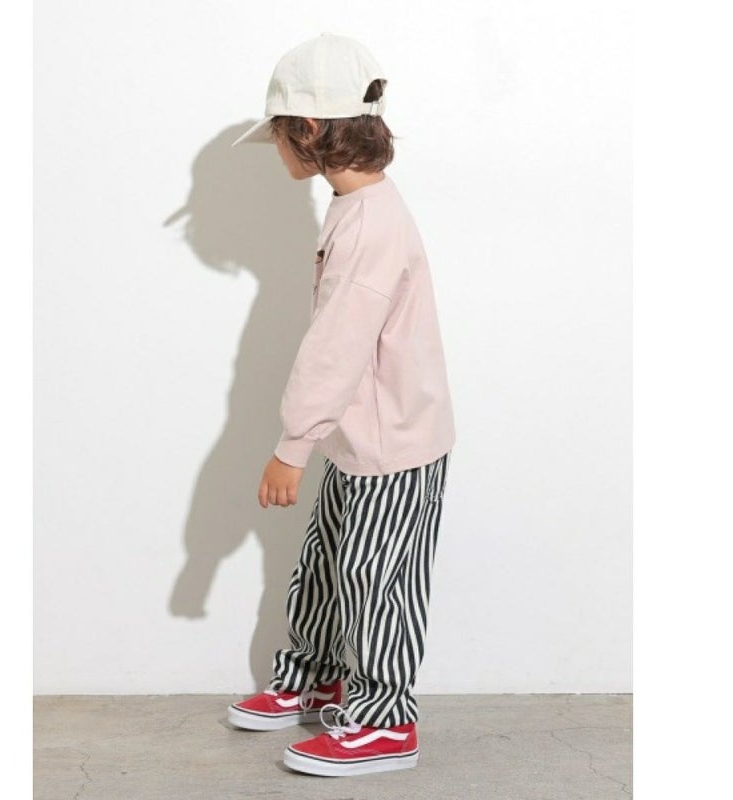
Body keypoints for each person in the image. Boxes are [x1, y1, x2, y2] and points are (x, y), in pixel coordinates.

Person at [227, 32, 456, 778]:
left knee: (376, 579)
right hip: (361, 438)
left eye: (277, 133)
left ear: (308, 128)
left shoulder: (370, 225)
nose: (275, 148)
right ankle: (320, 677)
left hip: (394, 445)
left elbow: (336, 346)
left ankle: (386, 720)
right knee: (329, 563)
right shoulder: (355, 208)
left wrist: (291, 445)